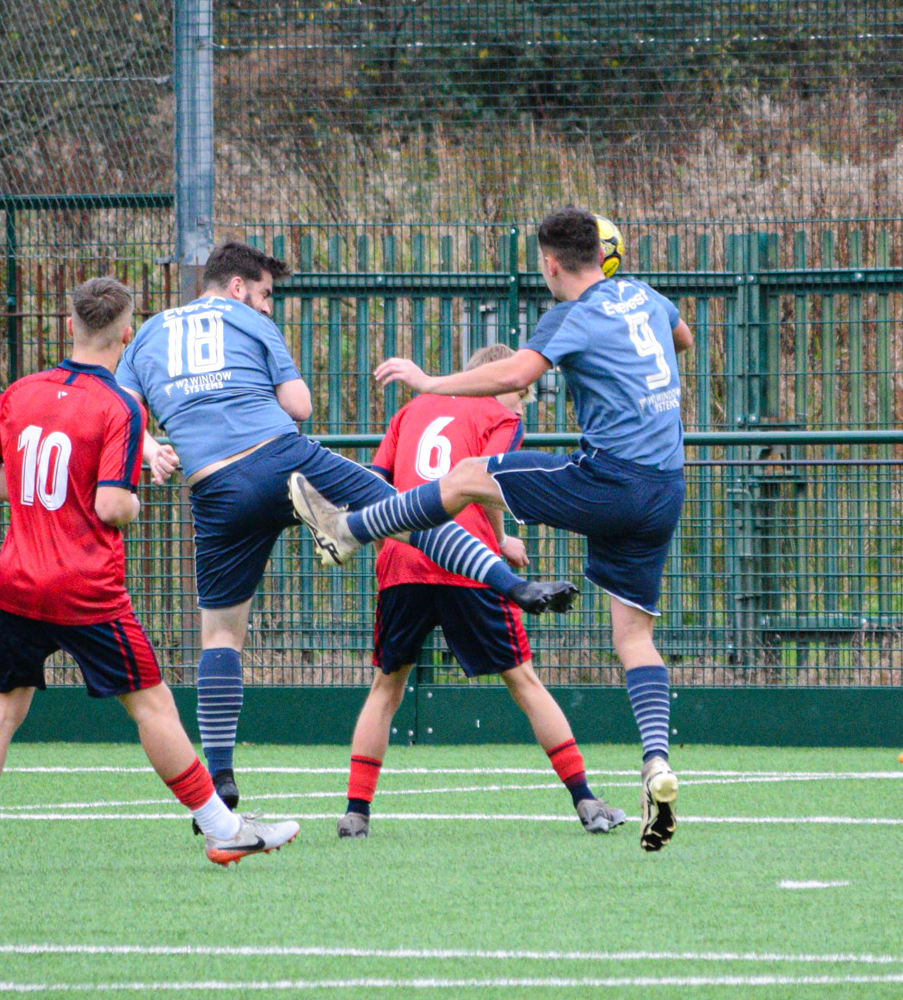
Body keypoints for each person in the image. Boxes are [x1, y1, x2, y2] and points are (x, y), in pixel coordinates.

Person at [116, 240, 576, 810]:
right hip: (284, 459)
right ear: (237, 288)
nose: (266, 307)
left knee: (220, 636)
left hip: (213, 487)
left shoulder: (145, 336)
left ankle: (221, 778)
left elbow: (121, 414)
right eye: (264, 295)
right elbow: (299, 405)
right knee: (408, 510)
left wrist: (153, 448)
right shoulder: (246, 320)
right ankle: (513, 586)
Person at [288, 207, 694, 851]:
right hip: (665, 486)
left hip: (608, 480)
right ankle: (656, 761)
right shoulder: (644, 297)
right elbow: (684, 339)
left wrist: (430, 381)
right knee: (634, 636)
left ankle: (353, 528)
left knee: (468, 476)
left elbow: (515, 374)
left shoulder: (569, 314)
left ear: (551, 264)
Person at [0, 277, 297, 876]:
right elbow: (110, 506)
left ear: (66, 327)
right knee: (153, 707)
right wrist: (129, 502)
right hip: (84, 588)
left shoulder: (20, 391)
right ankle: (224, 829)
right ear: (128, 336)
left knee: (1, 709)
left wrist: (41, 501)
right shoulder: (121, 406)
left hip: (18, 583)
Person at [339, 345, 626, 839]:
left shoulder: (408, 411)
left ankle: (355, 813)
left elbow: (380, 487)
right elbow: (485, 482)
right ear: (499, 381)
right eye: (522, 392)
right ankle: (587, 802)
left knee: (386, 688)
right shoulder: (497, 413)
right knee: (525, 683)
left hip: (402, 561)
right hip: (470, 563)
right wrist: (497, 542)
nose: (522, 403)